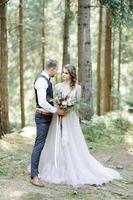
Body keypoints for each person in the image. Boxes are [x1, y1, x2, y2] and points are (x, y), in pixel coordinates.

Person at [38, 64, 122, 187]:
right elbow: (55, 101)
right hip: (59, 117)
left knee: (70, 142)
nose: (63, 75)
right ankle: (59, 166)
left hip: (70, 119)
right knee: (58, 141)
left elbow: (76, 104)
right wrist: (60, 109)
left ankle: (72, 167)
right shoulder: (57, 86)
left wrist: (67, 109)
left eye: (66, 73)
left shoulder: (77, 88)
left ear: (72, 74)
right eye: (62, 72)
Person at [30, 59, 66, 187]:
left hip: (47, 117)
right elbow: (43, 102)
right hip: (42, 117)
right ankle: (34, 175)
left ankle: (39, 170)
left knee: (42, 144)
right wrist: (56, 110)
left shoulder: (46, 80)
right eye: (56, 70)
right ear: (52, 69)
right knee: (39, 145)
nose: (56, 72)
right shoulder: (41, 81)